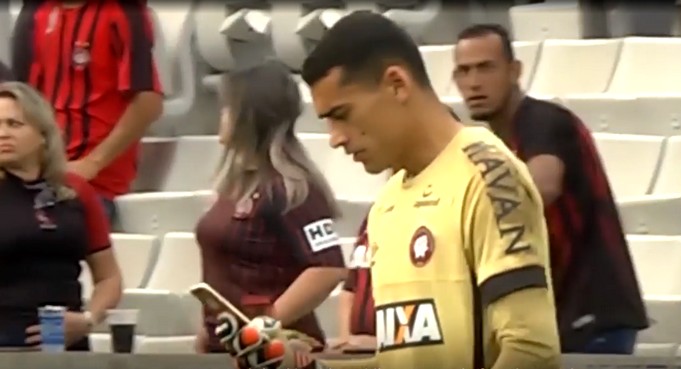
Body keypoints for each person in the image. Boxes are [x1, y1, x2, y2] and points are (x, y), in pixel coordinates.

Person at [211, 12, 561, 369]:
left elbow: (531, 351)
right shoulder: (387, 205)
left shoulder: (488, 176)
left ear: (397, 84)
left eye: (342, 114)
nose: (335, 138)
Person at [452, 24, 648, 354]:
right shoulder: (499, 142)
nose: (474, 82)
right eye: (464, 71)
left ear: (515, 71)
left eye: (486, 68)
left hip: (592, 315)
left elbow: (541, 186)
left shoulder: (542, 120)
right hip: (561, 319)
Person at [193, 60, 348, 354]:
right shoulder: (234, 185)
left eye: (228, 108)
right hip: (226, 349)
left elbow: (328, 267)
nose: (221, 116)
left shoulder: (291, 187)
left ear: (248, 116)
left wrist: (265, 324)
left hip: (278, 354)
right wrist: (207, 332)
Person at [11, 1, 164, 223]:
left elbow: (149, 102)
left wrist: (92, 164)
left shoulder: (122, 10)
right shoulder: (36, 10)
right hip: (34, 178)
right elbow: (23, 100)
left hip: (94, 186)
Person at [0, 82, 122, 350]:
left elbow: (109, 278)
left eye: (14, 124)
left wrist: (88, 319)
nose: (3, 134)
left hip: (64, 344)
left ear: (43, 134)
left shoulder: (75, 191)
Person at [329, 217, 376, 352]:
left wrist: (386, 342)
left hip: (396, 348)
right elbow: (350, 289)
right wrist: (345, 339)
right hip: (360, 348)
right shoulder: (375, 215)